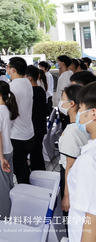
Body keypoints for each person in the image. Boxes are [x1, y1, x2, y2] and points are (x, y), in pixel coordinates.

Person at [67, 82, 96, 242]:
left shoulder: (88, 161)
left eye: (81, 108)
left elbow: (92, 218)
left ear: (93, 113)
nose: (78, 113)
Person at [58, 84, 89, 220]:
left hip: (71, 180)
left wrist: (66, 196)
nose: (60, 102)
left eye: (62, 98)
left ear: (72, 103)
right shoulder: (84, 125)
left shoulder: (71, 131)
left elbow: (69, 167)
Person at [0, 81, 18, 218]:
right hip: (8, 149)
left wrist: (1, 158)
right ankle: (11, 211)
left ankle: (3, 217)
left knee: (0, 187)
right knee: (8, 183)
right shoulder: (6, 108)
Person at [7, 57, 34, 184]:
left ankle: (25, 191)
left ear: (13, 70)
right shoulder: (27, 82)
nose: (6, 69)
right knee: (23, 166)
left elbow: (9, 113)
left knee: (19, 168)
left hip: (16, 135)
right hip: (28, 132)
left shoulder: (11, 87)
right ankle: (26, 188)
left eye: (7, 67)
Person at [26, 65, 48, 171]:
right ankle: (38, 169)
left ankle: (38, 171)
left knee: (35, 152)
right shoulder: (40, 90)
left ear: (29, 78)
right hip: (40, 126)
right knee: (37, 151)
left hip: (35, 127)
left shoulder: (31, 92)